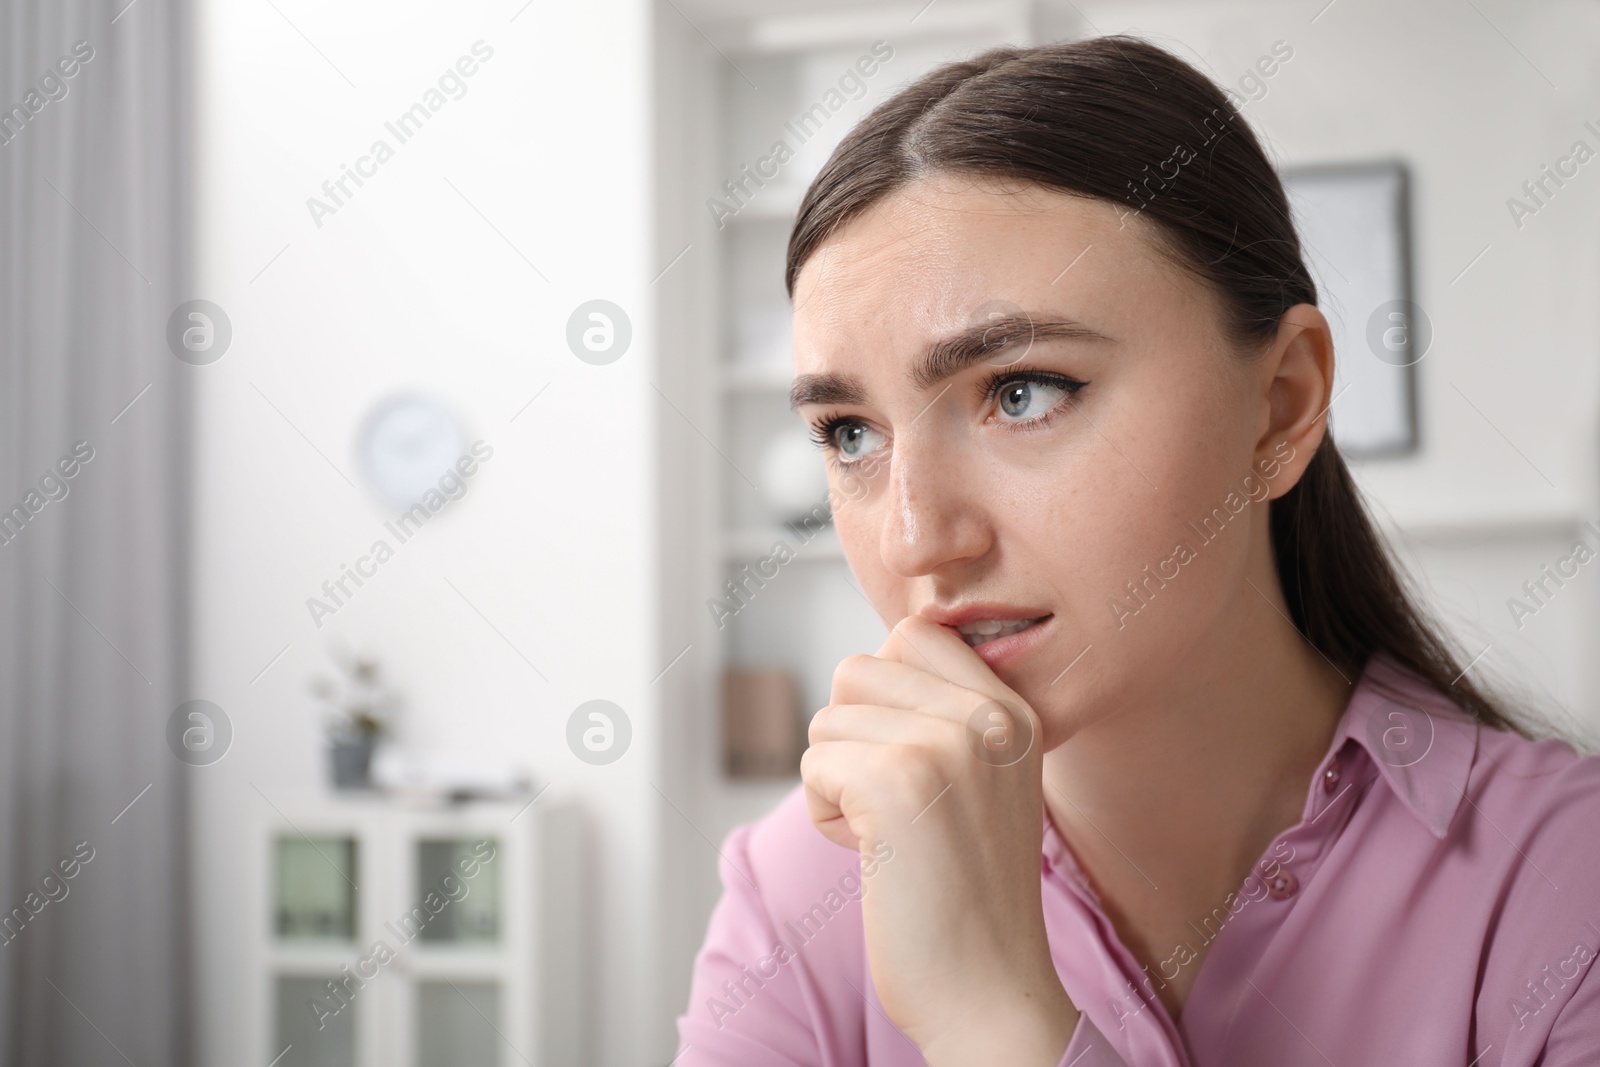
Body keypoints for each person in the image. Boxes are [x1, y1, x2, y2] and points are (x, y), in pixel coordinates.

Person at [675, 35, 1600, 1065]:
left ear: (1278, 405)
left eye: (1021, 391)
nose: (914, 537)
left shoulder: (1564, 885)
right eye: (849, 432)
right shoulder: (797, 890)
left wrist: (995, 1017)